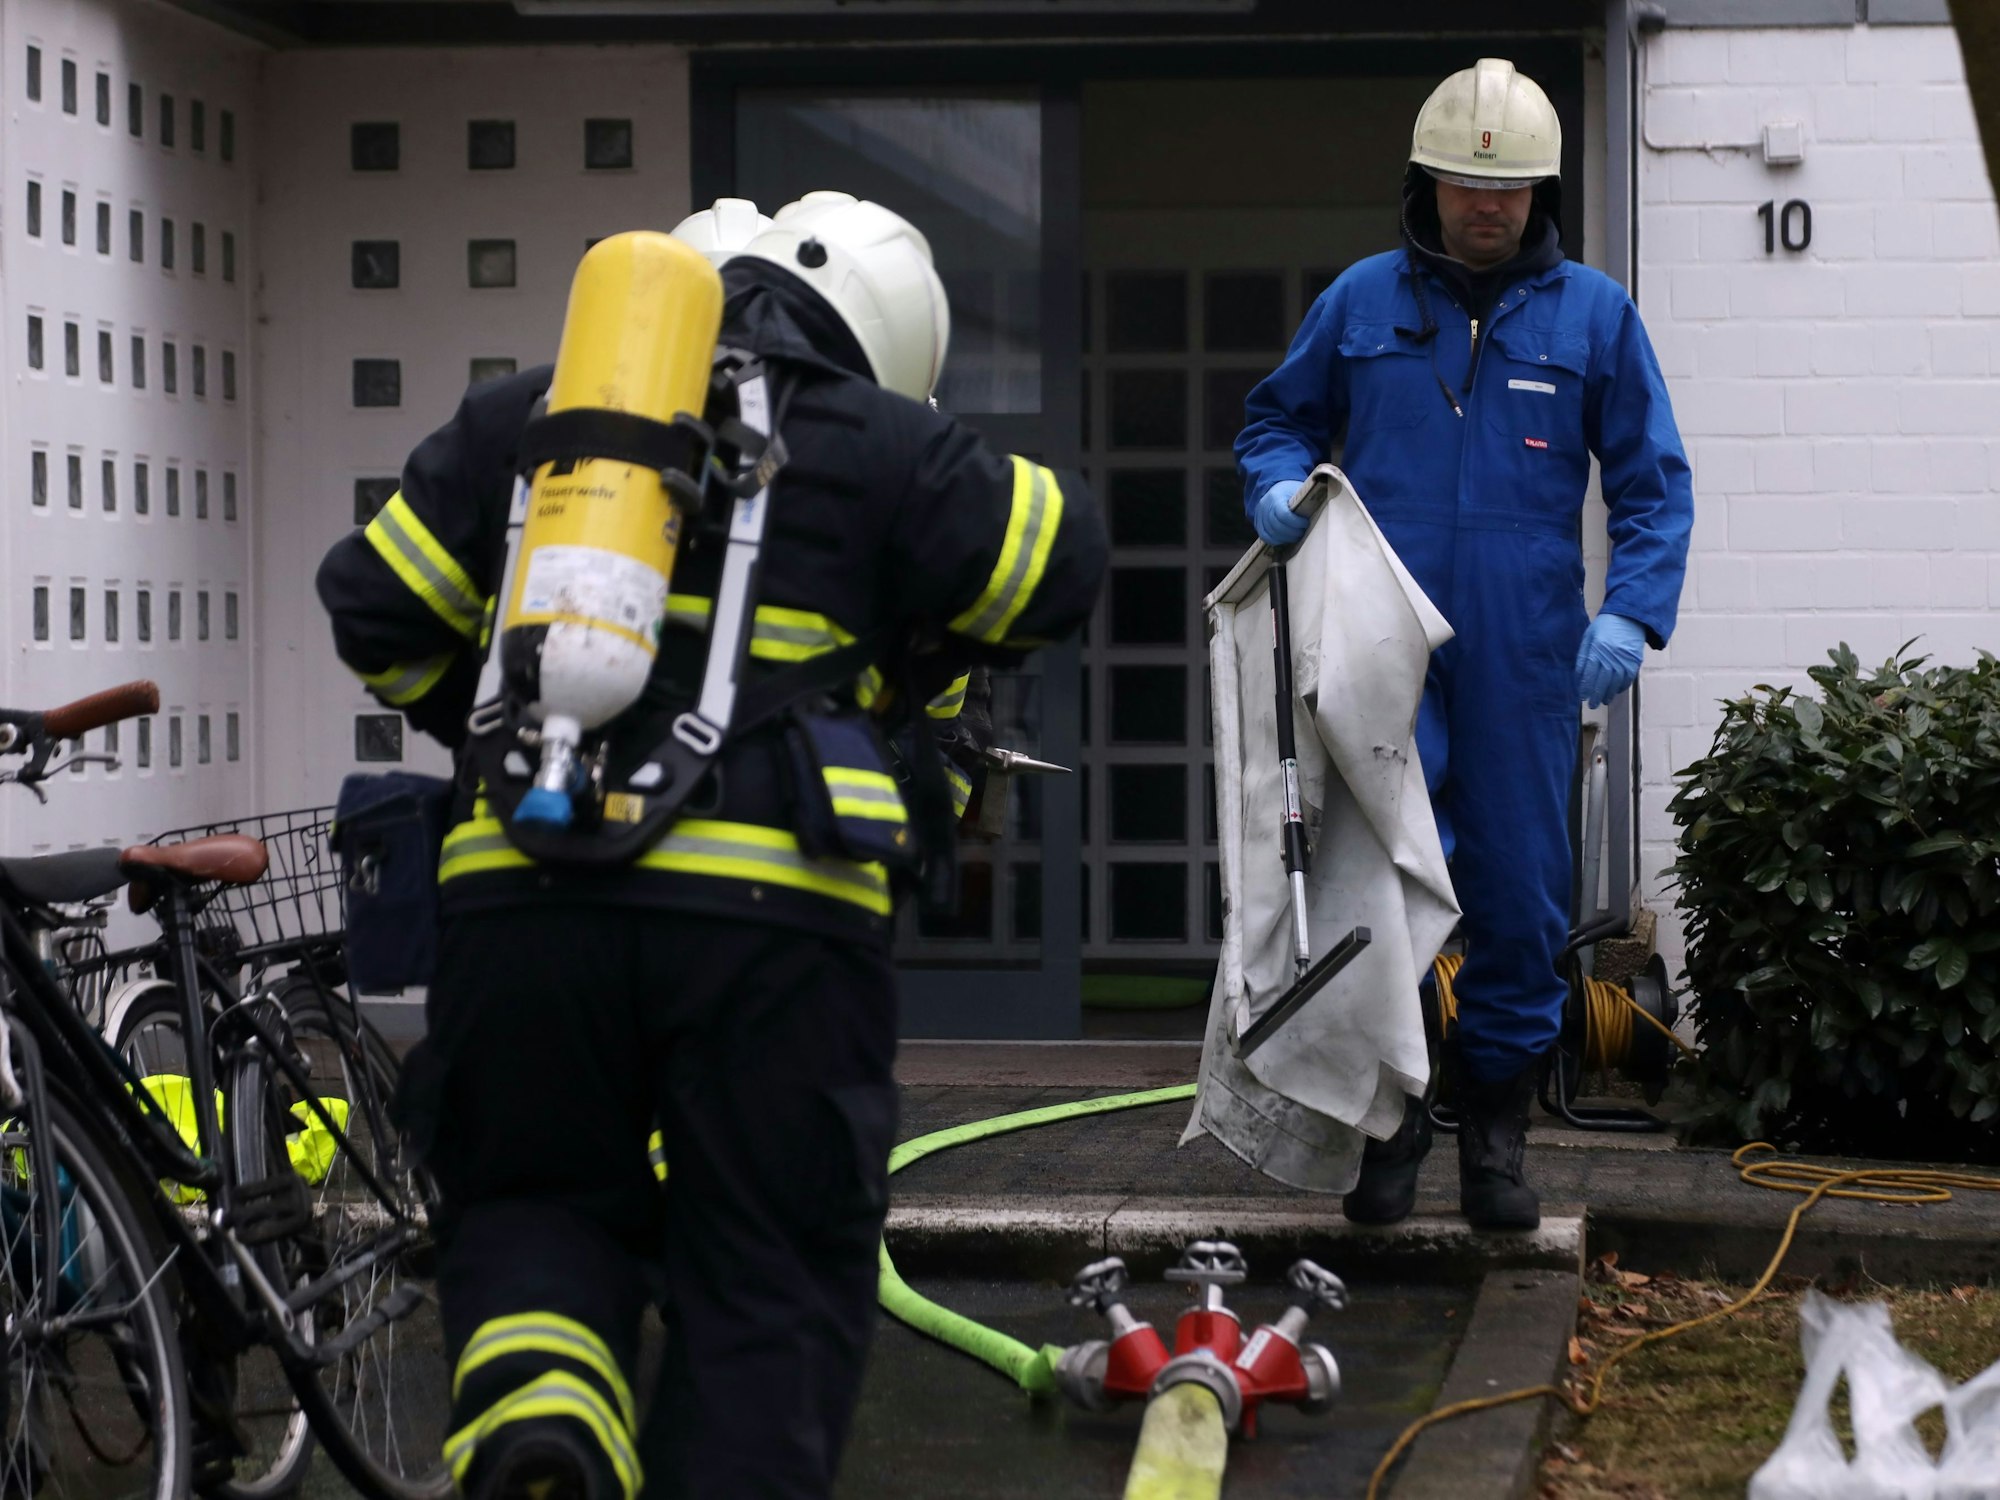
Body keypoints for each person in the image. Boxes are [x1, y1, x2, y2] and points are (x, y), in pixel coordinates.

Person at [316, 194, 1104, 1500]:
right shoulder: (879, 439)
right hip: (773, 920)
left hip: (522, 902)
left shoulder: (527, 428)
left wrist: (514, 721)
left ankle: (543, 1428)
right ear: (874, 335)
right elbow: (1051, 559)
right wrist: (907, 653)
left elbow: (374, 606)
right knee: (773, 1263)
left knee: (532, 1203)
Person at [1235, 58, 1692, 1232]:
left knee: (1520, 903)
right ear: (1424, 184)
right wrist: (1275, 486)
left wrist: (1630, 612)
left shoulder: (1594, 315)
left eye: (1507, 190)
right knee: (1374, 893)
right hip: (1379, 645)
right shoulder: (1357, 301)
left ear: (1538, 191)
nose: (1484, 207)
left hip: (1524, 652)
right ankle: (1388, 1131)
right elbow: (1275, 418)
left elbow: (1651, 484)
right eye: (1459, 186)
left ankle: (1493, 1141)